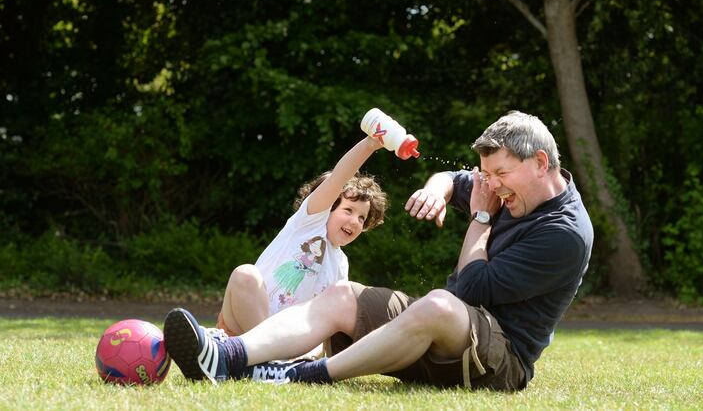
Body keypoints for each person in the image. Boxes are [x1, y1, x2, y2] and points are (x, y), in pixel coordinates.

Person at [163, 111, 593, 391]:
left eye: (500, 173)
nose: (491, 184)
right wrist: (436, 189)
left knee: (440, 304)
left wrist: (480, 218)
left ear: (540, 162)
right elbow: (454, 177)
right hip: (445, 329)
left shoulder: (564, 234)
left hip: (499, 359)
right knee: (341, 294)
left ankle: (299, 374)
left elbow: (473, 290)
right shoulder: (502, 186)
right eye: (487, 173)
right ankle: (227, 357)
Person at [215, 134, 388, 339]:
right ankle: (249, 352)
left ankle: (269, 360)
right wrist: (369, 145)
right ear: (327, 208)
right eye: (349, 210)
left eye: (362, 218)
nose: (355, 221)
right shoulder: (308, 224)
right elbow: (338, 178)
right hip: (242, 327)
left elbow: (330, 319)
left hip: (287, 342)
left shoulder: (341, 263)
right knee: (245, 274)